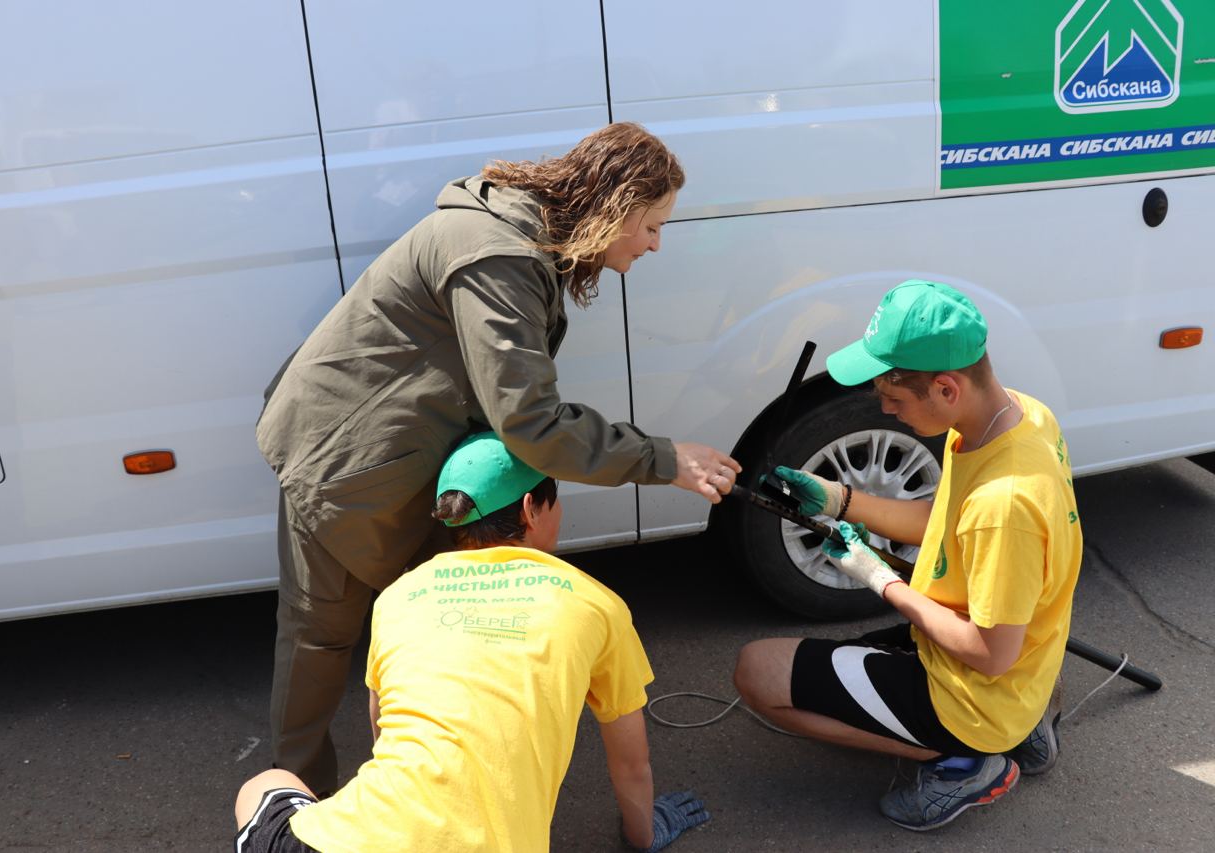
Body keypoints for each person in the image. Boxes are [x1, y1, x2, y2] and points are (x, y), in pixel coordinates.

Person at [255, 122, 741, 795]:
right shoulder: (499, 254)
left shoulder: (518, 239)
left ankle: (440, 787)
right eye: (654, 224)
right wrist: (662, 459)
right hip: (340, 460)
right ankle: (298, 812)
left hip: (398, 454)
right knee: (321, 641)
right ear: (617, 209)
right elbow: (531, 422)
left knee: (436, 627)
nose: (658, 242)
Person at [234, 431, 710, 852]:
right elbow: (631, 763)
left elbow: (384, 731)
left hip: (344, 840)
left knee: (266, 783)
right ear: (530, 509)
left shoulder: (400, 596)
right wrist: (644, 835)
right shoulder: (595, 603)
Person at [732, 280, 1082, 831]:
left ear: (946, 388)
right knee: (832, 664)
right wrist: (838, 499)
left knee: (759, 673)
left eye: (894, 399)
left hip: (978, 686)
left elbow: (990, 653)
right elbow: (944, 524)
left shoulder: (1005, 504)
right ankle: (1023, 718)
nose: (887, 410)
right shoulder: (1017, 418)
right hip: (1017, 666)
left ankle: (973, 760)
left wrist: (878, 578)